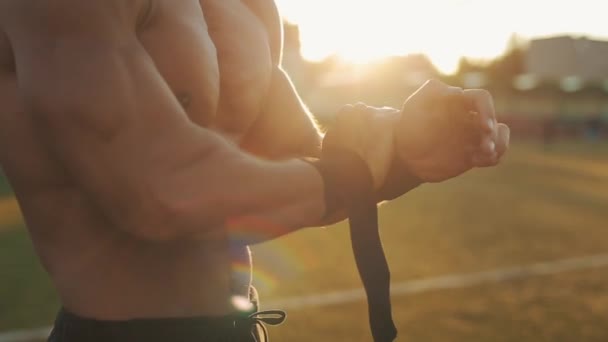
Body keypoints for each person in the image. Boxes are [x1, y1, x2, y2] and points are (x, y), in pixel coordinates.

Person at [0, 0, 510, 341]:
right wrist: (354, 173)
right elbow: (160, 191)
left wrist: (403, 156)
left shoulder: (246, 7)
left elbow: (284, 177)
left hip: (242, 327)